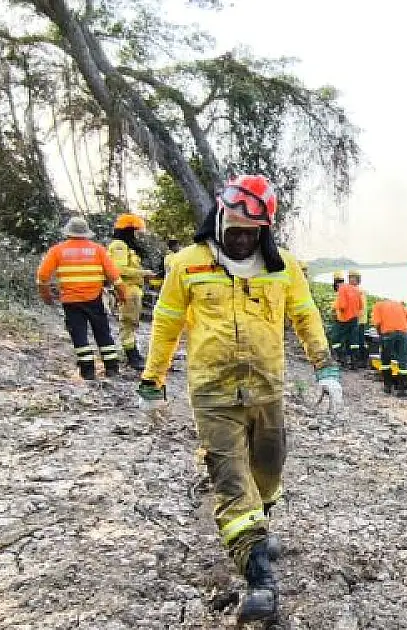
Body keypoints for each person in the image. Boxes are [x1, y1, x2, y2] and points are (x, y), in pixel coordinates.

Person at [136, 174, 342, 623]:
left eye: (254, 232)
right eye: (237, 229)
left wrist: (325, 368)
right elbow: (167, 324)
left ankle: (257, 524)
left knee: (268, 471)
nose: (244, 238)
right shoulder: (187, 265)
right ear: (220, 217)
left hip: (267, 390)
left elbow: (306, 318)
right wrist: (152, 381)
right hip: (213, 394)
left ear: (265, 230)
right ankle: (258, 578)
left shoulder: (282, 266)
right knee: (231, 481)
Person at [36, 217, 129, 380]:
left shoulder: (57, 251)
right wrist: (123, 296)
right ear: (86, 233)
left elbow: (42, 277)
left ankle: (88, 372)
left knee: (79, 335)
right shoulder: (98, 250)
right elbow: (115, 277)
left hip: (71, 301)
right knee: (103, 332)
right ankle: (112, 369)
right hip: (94, 299)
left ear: (68, 233)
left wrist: (47, 297)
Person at [108, 213, 155, 371]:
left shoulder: (126, 247)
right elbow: (119, 269)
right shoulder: (119, 246)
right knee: (128, 323)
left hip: (133, 290)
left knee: (132, 323)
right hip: (126, 290)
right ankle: (132, 356)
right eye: (133, 231)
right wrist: (144, 273)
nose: (135, 235)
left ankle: (133, 353)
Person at [370, 297, 407, 396]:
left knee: (386, 360)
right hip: (403, 333)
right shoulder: (399, 305)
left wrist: (380, 334)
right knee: (403, 360)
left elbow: (377, 322)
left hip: (387, 334)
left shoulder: (378, 305)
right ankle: (401, 390)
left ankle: (387, 387)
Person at [332, 270, 364, 368]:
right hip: (354, 318)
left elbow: (342, 305)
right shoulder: (357, 290)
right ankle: (354, 362)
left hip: (343, 318)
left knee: (336, 339)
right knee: (353, 341)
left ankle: (342, 359)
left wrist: (337, 311)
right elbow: (360, 306)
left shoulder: (343, 289)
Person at [349, 269, 369, 364]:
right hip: (356, 319)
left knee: (359, 341)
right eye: (350, 278)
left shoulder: (359, 291)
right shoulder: (354, 290)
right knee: (356, 341)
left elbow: (360, 307)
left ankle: (362, 360)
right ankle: (358, 359)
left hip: (358, 320)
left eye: (353, 278)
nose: (351, 280)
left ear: (357, 279)